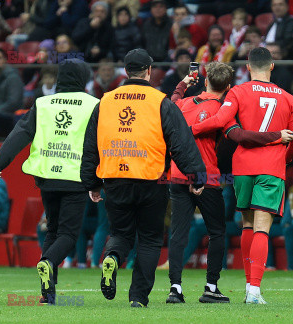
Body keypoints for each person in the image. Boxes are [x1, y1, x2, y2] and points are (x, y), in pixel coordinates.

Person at [80, 48, 206, 308]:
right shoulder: (160, 101)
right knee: (149, 238)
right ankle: (138, 297)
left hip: (114, 178)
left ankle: (112, 258)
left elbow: (90, 145)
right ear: (149, 70)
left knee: (120, 233)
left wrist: (91, 182)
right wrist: (196, 175)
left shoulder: (105, 101)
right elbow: (181, 142)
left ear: (125, 71)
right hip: (151, 179)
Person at [166, 62, 291, 304]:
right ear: (229, 87)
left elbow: (172, 101)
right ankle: (211, 287)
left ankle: (175, 289)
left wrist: (183, 83)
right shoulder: (224, 109)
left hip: (179, 175)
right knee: (216, 232)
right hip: (208, 177)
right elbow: (238, 135)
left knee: (178, 234)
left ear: (204, 81)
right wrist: (276, 136)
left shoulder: (183, 104)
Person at [190, 47, 293, 304]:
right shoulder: (288, 98)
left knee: (248, 224)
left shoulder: (238, 92)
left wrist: (191, 129)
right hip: (272, 168)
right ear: (272, 67)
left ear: (248, 67)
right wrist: (283, 158)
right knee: (263, 227)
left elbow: (220, 121)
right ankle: (254, 290)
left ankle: (248, 284)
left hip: (242, 167)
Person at [0, 59, 100, 304]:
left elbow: (21, 133)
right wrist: (98, 180)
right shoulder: (94, 104)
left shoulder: (43, 102)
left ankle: (47, 293)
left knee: (53, 230)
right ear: (83, 78)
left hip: (47, 176)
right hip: (75, 176)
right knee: (69, 234)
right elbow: (98, 143)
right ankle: (48, 262)